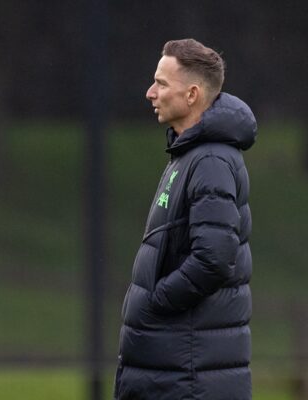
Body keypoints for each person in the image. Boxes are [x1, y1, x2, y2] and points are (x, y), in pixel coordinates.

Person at [114, 39, 256, 400]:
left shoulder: (210, 161)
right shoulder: (189, 154)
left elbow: (213, 259)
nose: (150, 93)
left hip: (189, 377)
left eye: (161, 83)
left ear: (192, 94)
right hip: (176, 371)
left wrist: (157, 303)